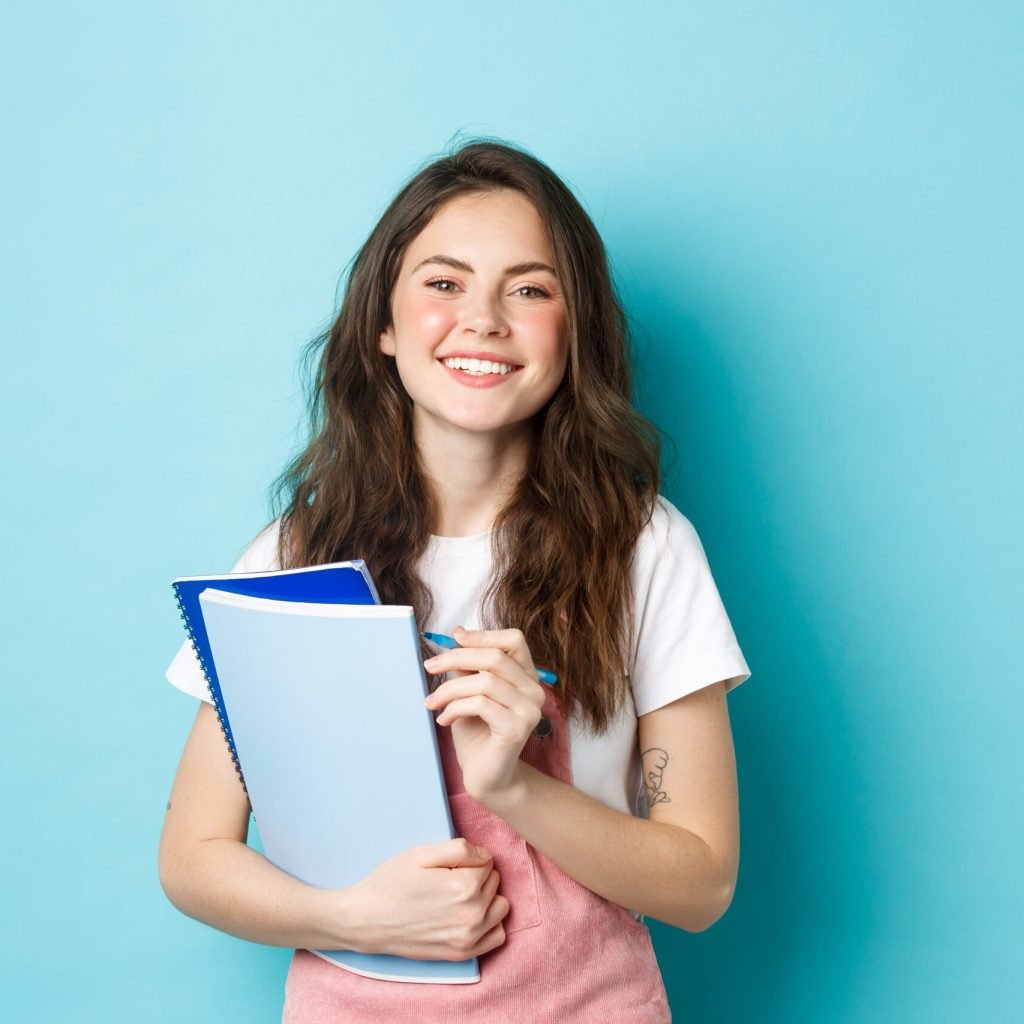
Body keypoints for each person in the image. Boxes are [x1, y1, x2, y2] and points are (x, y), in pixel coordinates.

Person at [159, 138, 751, 1023]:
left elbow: (701, 884)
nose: (483, 318)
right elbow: (192, 856)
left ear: (573, 331)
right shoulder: (295, 553)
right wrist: (349, 916)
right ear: (383, 326)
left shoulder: (645, 546)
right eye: (443, 283)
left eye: (531, 288)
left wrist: (512, 784)